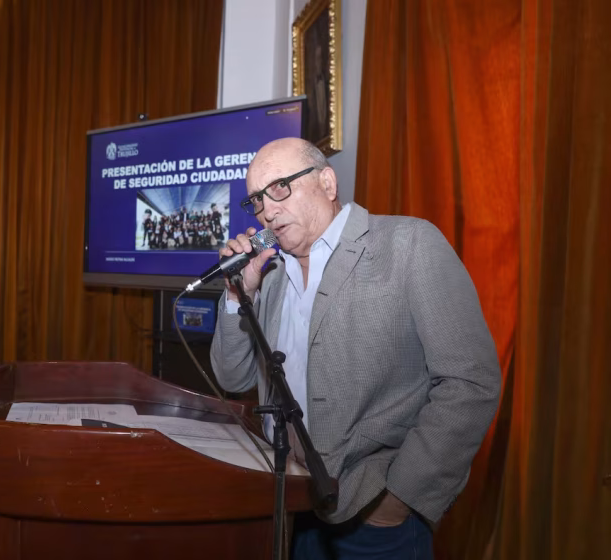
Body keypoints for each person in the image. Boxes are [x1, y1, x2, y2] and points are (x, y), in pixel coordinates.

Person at [209, 138, 501, 559]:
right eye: (256, 200)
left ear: (327, 182)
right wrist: (239, 296)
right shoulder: (268, 277)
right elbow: (231, 376)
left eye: (279, 188)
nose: (267, 211)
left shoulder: (408, 245)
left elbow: (470, 381)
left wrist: (401, 498)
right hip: (292, 506)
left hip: (374, 516)